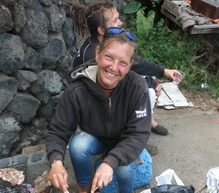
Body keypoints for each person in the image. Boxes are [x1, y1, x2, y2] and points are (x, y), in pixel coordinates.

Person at [46, 28, 151, 193]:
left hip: (124, 141)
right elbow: (58, 131)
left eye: (122, 63)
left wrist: (110, 162)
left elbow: (138, 134)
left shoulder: (137, 87)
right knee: (78, 145)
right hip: (97, 138)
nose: (113, 67)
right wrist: (56, 162)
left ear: (130, 65)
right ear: (97, 53)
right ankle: (85, 189)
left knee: (124, 169)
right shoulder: (77, 89)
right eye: (109, 57)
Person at [70, 0, 182, 140]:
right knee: (148, 92)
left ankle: (147, 122)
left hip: (102, 102)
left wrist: (162, 71)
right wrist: (150, 83)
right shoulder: (93, 56)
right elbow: (118, 82)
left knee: (147, 83)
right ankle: (133, 140)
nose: (120, 23)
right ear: (101, 30)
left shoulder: (99, 43)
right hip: (97, 115)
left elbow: (135, 64)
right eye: (115, 20)